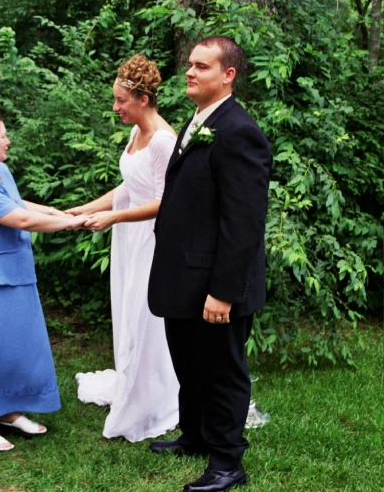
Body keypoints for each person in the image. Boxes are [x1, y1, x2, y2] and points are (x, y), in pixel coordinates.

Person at [147, 36, 271, 492]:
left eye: (202, 66)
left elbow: (243, 222)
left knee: (222, 371)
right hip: (185, 274)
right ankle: (196, 436)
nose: (190, 72)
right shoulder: (199, 120)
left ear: (228, 75)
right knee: (190, 364)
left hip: (216, 282)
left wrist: (223, 291)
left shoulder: (240, 131)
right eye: (190, 65)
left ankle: (227, 462)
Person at [0, 110, 88, 451]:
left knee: (15, 348)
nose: (9, 140)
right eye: (4, 135)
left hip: (16, 272)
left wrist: (59, 212)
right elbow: (20, 218)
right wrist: (72, 225)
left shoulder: (1, 170)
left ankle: (8, 413)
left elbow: (19, 203)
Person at [70, 55, 180, 442]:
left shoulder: (165, 141)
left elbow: (168, 201)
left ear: (144, 99)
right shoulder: (136, 134)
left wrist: (115, 218)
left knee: (144, 317)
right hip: (130, 238)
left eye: (121, 101)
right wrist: (89, 207)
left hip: (152, 240)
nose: (115, 107)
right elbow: (130, 186)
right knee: (128, 313)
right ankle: (135, 382)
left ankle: (151, 398)